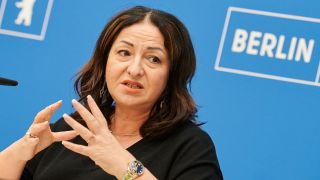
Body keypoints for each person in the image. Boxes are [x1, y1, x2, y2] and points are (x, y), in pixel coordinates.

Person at [0, 6, 223, 180]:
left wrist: (124, 166)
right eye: (124, 53)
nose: (134, 69)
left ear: (172, 74)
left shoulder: (190, 146)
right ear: (104, 62)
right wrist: (22, 149)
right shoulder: (68, 129)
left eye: (153, 58)